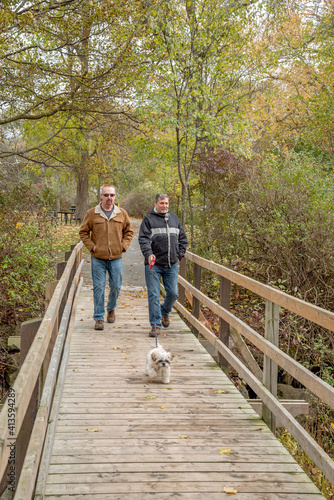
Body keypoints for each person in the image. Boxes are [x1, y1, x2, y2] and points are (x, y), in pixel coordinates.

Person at [79, 184, 134, 331]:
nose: (109, 198)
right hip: (98, 257)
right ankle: (98, 317)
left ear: (115, 196)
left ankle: (111, 309)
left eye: (112, 195)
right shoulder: (92, 213)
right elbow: (83, 232)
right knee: (98, 287)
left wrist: (123, 246)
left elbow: (129, 232)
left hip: (116, 257)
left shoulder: (121, 213)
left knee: (116, 286)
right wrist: (92, 246)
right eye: (106, 195)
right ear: (101, 196)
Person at [139, 193, 187, 337]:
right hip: (153, 264)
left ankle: (164, 311)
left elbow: (183, 239)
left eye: (166, 203)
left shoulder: (174, 219)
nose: (164, 206)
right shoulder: (148, 220)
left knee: (173, 293)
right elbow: (143, 239)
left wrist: (180, 255)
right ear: (156, 204)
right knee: (153, 295)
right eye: (161, 203)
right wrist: (149, 254)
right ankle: (155, 325)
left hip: (171, 264)